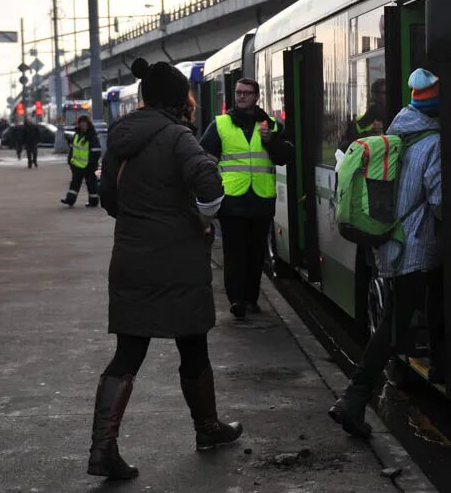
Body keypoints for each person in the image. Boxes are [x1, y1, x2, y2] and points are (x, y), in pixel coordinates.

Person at [87, 57, 240, 480]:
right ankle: (207, 429)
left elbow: (109, 200)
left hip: (132, 259)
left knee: (129, 350)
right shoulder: (178, 137)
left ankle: (103, 449)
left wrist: (140, 220)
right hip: (179, 262)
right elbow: (210, 186)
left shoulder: (119, 139)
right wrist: (202, 218)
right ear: (179, 100)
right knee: (192, 342)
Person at [328, 68, 442, 439]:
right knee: (393, 326)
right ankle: (354, 397)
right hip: (414, 247)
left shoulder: (394, 134)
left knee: (398, 319)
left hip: (390, 244)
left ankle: (363, 393)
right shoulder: (432, 143)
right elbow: (439, 201)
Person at [199, 77, 294, 319]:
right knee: (234, 252)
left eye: (246, 93)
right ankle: (237, 300)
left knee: (256, 253)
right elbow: (205, 157)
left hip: (261, 199)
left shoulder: (271, 125)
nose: (240, 96)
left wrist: (271, 142)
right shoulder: (220, 124)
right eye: (238, 93)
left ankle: (251, 298)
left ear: (256, 96)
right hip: (232, 199)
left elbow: (285, 157)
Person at [61, 115, 102, 205]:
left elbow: (96, 151)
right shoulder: (77, 135)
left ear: (88, 125)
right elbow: (73, 148)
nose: (83, 126)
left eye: (84, 124)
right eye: (81, 124)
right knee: (75, 183)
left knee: (91, 184)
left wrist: (91, 163)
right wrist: (70, 160)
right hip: (77, 165)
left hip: (89, 166)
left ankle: (93, 201)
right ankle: (70, 200)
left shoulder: (92, 136)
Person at [338, 78, 387, 151]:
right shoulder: (359, 123)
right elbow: (344, 149)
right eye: (384, 92)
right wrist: (368, 135)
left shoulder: (395, 117)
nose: (386, 96)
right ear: (375, 96)